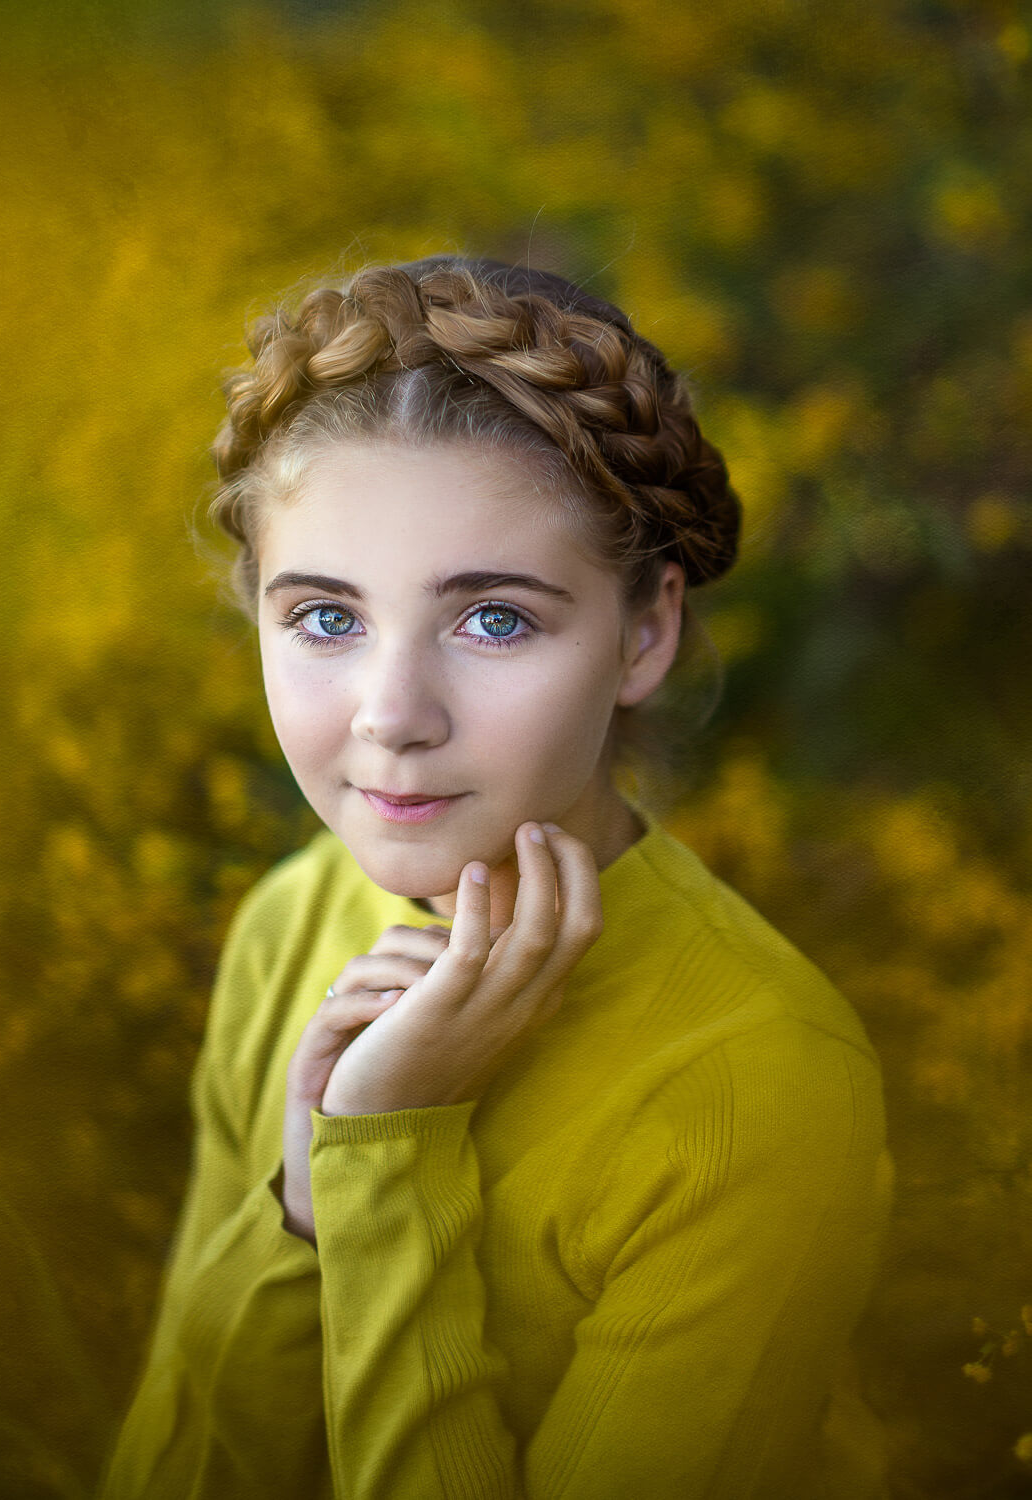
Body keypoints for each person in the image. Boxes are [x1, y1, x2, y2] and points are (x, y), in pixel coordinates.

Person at [97, 255, 893, 1499]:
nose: (392, 717)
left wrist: (383, 1149)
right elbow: (178, 1460)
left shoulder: (759, 1084)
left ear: (644, 631)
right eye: (325, 618)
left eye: (494, 619)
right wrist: (303, 1204)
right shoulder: (292, 917)